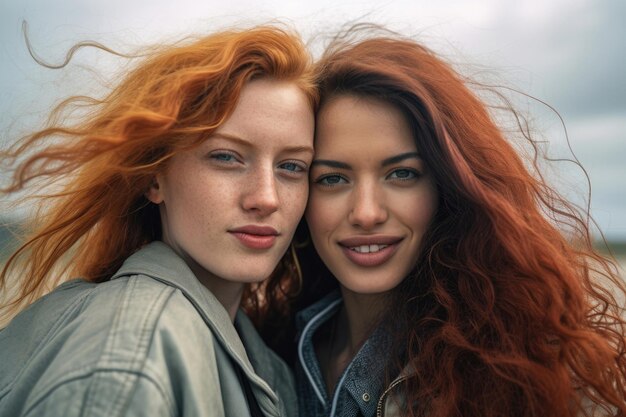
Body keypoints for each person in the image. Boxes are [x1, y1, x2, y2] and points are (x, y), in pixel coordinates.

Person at [293, 31, 626, 417]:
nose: (367, 213)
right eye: (333, 179)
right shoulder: (275, 348)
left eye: (401, 174)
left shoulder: (531, 370)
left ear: (447, 185)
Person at [0, 25, 317, 417]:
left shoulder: (261, 354)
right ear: (154, 178)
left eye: (291, 166)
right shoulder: (129, 363)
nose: (266, 198)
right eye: (226, 157)